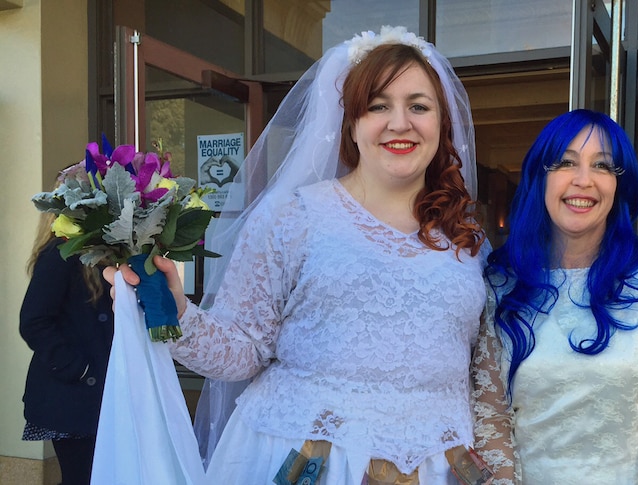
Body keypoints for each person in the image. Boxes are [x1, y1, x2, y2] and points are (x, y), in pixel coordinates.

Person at [106, 26, 490, 484]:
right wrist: (180, 314)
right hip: (306, 462)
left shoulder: (468, 239)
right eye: (378, 106)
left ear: (441, 123)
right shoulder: (294, 217)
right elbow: (244, 351)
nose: (400, 123)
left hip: (438, 467)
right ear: (350, 122)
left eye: (419, 106)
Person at [471, 109, 638, 484]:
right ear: (541, 177)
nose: (583, 180)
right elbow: (490, 418)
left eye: (602, 166)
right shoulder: (500, 289)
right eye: (566, 162)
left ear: (620, 185)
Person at [20, 175, 115, 485]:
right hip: (72, 395)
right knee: (81, 477)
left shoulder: (105, 253)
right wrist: (79, 369)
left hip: (95, 394)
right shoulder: (58, 255)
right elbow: (34, 321)